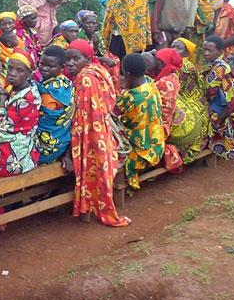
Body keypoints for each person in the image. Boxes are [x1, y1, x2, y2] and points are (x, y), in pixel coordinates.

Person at [62, 40, 129, 226]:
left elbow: (82, 116)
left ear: (87, 58)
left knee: (90, 165)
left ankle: (89, 206)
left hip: (91, 132)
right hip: (102, 129)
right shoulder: (99, 70)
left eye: (76, 59)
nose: (70, 63)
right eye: (68, 59)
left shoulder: (86, 79)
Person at [115, 53, 165, 190]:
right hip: (158, 145)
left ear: (127, 73)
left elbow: (116, 116)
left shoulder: (131, 97)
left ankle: (128, 178)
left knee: (110, 130)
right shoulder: (151, 84)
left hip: (141, 153)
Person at [0, 53, 41, 176]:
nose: (12, 73)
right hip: (19, 144)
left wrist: (1, 102)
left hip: (16, 153)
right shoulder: (17, 88)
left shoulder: (26, 99)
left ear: (29, 74)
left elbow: (2, 132)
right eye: (10, 68)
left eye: (19, 70)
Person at [203, 35, 234, 159]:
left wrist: (219, 118)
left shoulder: (220, 69)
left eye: (210, 51)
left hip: (222, 111)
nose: (206, 53)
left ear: (219, 51)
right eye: (204, 50)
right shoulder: (215, 64)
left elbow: (213, 93)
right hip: (220, 106)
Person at [35, 45, 74, 164]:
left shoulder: (49, 91)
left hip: (48, 146)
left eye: (50, 66)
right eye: (42, 64)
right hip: (63, 141)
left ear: (62, 67)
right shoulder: (66, 82)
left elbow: (41, 118)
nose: (44, 68)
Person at [150, 48, 185, 172]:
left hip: (159, 126)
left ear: (163, 63)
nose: (155, 63)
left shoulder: (164, 82)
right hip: (166, 122)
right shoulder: (172, 76)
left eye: (158, 61)